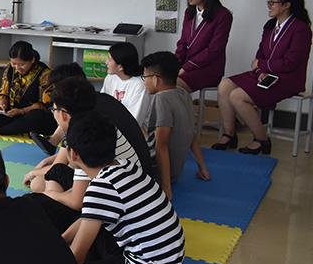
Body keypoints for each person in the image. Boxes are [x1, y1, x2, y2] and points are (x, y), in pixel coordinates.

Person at [62, 112, 186, 264]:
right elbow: (89, 219)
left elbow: (76, 258)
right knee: (93, 228)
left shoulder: (101, 188)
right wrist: (61, 239)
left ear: (73, 154)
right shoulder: (125, 166)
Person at [214, 0, 313, 155]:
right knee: (224, 85)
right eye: (269, 2)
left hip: (287, 79)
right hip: (266, 73)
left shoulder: (301, 29)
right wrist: (261, 71)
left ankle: (262, 139)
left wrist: (261, 64)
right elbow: (260, 55)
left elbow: (289, 63)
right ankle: (229, 135)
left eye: (273, 2)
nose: (269, 5)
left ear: (286, 5)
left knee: (237, 97)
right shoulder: (270, 27)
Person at [25, 78, 143, 209]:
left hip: (115, 197)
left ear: (63, 114)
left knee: (43, 183)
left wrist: (49, 194)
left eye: (54, 110)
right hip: (131, 184)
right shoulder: (94, 122)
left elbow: (77, 202)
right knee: (44, 180)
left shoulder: (82, 137)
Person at [141, 52, 211, 199]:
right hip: (175, 172)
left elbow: (161, 145)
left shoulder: (161, 99)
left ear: (155, 79)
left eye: (145, 77)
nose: (144, 81)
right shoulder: (183, 93)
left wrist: (166, 187)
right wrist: (203, 168)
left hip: (155, 171)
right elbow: (190, 134)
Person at [0, 41, 53, 136]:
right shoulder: (10, 69)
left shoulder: (44, 74)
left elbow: (44, 105)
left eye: (22, 64)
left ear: (32, 60)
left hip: (30, 115)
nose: (17, 67)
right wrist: (2, 104)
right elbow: (4, 92)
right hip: (12, 114)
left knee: (38, 116)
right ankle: (20, 130)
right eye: (14, 63)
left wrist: (21, 111)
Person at [175, 0, 233, 93]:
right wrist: (175, 64)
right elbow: (183, 43)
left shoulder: (223, 15)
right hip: (186, 66)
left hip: (209, 69)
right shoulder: (189, 13)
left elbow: (214, 49)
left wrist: (186, 67)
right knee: (160, 80)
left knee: (171, 86)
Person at [101, 43, 152, 127]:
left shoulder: (139, 85)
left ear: (120, 67)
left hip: (130, 131)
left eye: (109, 59)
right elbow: (102, 104)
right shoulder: (110, 77)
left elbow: (134, 121)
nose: (106, 62)